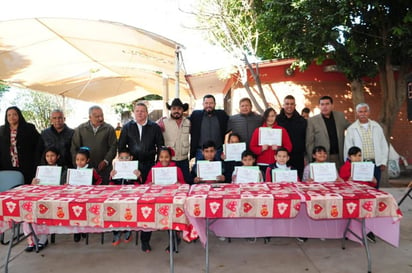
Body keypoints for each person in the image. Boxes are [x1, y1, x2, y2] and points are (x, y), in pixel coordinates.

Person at [118, 102, 164, 251]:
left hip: (149, 166)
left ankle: (145, 238)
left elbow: (161, 147)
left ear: (147, 113)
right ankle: (128, 228)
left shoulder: (154, 127)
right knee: (131, 200)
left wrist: (157, 167)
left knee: (147, 202)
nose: (140, 113)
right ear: (133, 112)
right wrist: (125, 164)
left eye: (142, 111)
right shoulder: (127, 127)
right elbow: (121, 148)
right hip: (131, 169)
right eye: (137, 111)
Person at [24, 147, 64, 252]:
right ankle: (30, 240)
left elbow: (65, 186)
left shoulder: (63, 170)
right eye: (47, 156)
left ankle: (43, 239)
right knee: (28, 211)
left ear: (58, 156)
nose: (50, 158)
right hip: (40, 196)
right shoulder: (40, 170)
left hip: (55, 198)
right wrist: (33, 183)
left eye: (52, 156)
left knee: (45, 211)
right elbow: (34, 187)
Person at [343, 103, 388, 188]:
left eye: (365, 111)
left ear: (369, 112)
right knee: (360, 188)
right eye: (360, 112)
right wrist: (349, 164)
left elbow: (383, 145)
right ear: (357, 113)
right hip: (359, 164)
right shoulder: (352, 129)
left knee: (375, 188)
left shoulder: (377, 126)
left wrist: (383, 161)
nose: (363, 114)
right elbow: (348, 147)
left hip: (375, 164)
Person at [71, 106, 117, 184]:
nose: (100, 118)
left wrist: (106, 161)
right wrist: (79, 165)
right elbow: (74, 148)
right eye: (97, 117)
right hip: (85, 170)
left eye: (102, 115)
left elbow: (113, 147)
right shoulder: (80, 129)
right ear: (90, 117)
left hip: (105, 169)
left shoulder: (109, 129)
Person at [306, 96, 350, 169]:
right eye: (322, 104)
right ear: (319, 106)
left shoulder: (340, 116)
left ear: (332, 105)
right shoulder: (312, 121)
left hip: (339, 157)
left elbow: (351, 127)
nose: (324, 107)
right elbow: (309, 142)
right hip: (321, 158)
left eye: (327, 104)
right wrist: (312, 159)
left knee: (340, 179)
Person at [0, 106, 40, 185]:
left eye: (14, 114)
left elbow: (38, 146)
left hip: (27, 167)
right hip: (7, 167)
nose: (12, 117)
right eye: (9, 115)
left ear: (19, 115)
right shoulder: (2, 130)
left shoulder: (29, 128)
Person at [109, 148, 141, 246]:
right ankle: (116, 232)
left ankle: (128, 230)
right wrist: (111, 176)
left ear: (131, 158)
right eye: (121, 158)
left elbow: (139, 187)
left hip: (130, 196)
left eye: (126, 158)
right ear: (118, 159)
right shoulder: (115, 170)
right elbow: (110, 185)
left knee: (128, 210)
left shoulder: (135, 170)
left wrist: (138, 176)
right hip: (117, 197)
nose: (124, 160)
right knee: (113, 210)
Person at [250, 107, 293, 177]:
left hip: (278, 164)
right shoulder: (258, 130)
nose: (270, 118)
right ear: (265, 117)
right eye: (268, 116)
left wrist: (279, 149)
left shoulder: (282, 130)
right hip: (262, 163)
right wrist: (261, 149)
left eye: (272, 116)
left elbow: (289, 147)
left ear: (276, 116)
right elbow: (252, 147)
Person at [157, 98, 191, 184]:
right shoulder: (163, 122)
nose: (176, 111)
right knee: (171, 184)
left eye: (179, 109)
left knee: (186, 184)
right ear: (170, 110)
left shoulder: (188, 122)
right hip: (170, 160)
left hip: (184, 160)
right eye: (174, 109)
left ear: (183, 110)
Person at [72, 147, 102, 242]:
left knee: (84, 214)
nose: (79, 162)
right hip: (75, 196)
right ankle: (76, 232)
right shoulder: (73, 171)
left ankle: (84, 230)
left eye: (82, 160)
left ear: (87, 160)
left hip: (87, 197)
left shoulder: (91, 171)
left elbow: (99, 180)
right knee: (74, 214)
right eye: (77, 160)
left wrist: (94, 187)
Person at [276, 95, 307, 179]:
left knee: (298, 181)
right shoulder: (277, 120)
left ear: (295, 106)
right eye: (287, 104)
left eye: (292, 104)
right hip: (281, 158)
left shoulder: (302, 121)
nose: (289, 106)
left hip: (297, 157)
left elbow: (306, 139)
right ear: (283, 105)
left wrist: (305, 155)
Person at [189, 94, 228, 161]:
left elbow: (231, 123)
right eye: (206, 103)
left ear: (215, 104)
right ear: (203, 104)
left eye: (211, 103)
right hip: (201, 151)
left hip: (217, 151)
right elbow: (184, 121)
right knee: (200, 171)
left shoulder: (222, 115)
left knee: (219, 170)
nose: (208, 105)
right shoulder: (196, 115)